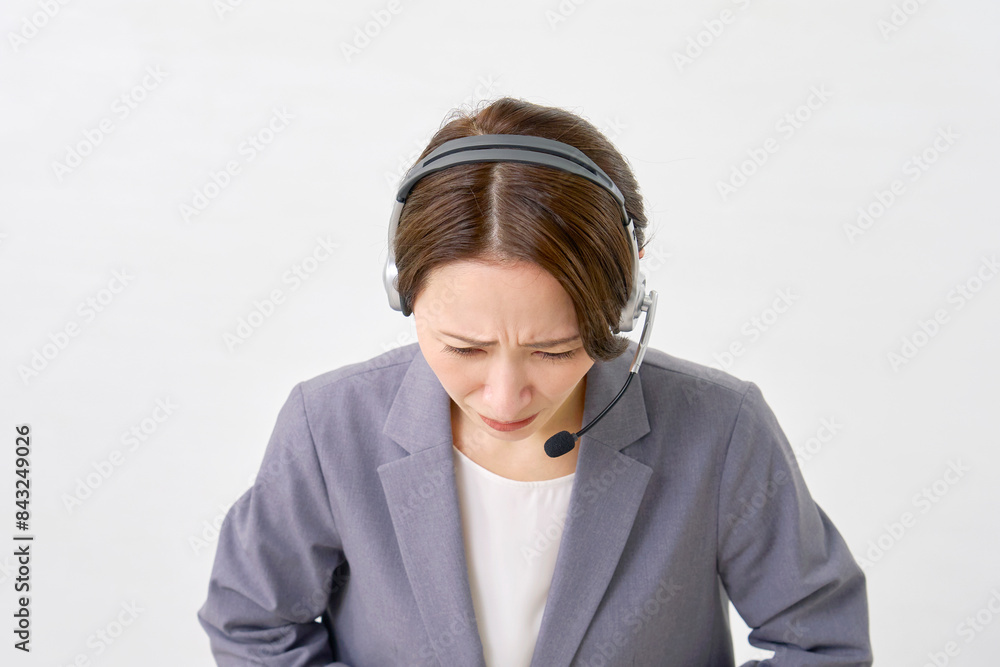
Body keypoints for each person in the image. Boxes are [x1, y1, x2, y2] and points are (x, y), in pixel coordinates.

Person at [197, 97, 872, 666]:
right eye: (464, 347)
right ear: (401, 293)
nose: (504, 396)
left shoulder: (720, 429)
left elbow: (821, 641)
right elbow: (252, 625)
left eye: (554, 350)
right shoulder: (328, 427)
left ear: (624, 304)